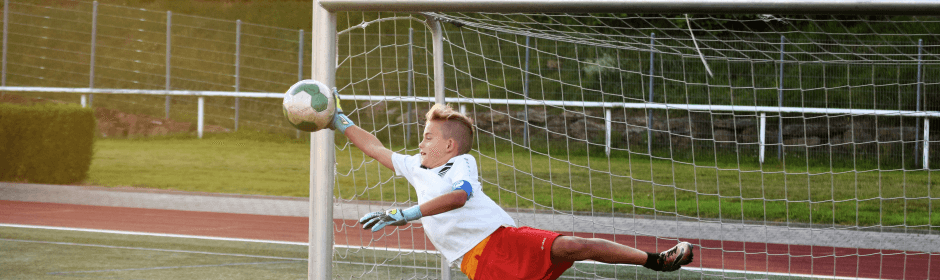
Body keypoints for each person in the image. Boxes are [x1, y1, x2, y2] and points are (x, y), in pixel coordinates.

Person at [329, 96, 693, 280]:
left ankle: (655, 261)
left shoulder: (462, 164)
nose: (420, 144)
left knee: (573, 246)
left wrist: (404, 215)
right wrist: (338, 120)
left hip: (504, 241)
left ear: (449, 147)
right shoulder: (414, 166)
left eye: (427, 138)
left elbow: (458, 198)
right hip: (478, 266)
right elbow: (374, 146)